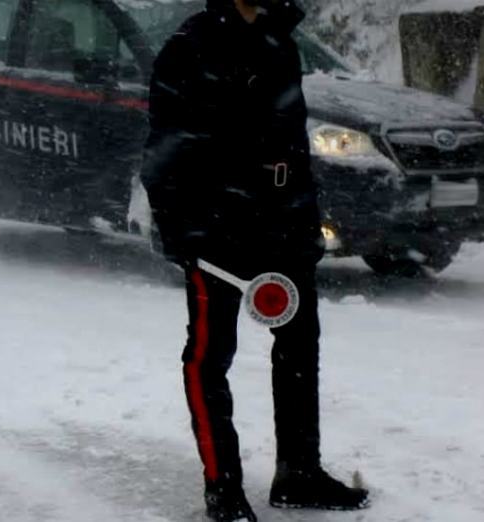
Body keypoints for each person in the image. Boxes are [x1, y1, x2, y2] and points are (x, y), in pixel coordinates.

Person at [141, 0, 370, 520]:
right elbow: (164, 152)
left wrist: (306, 223)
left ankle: (298, 472)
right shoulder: (188, 48)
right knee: (208, 356)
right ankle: (222, 488)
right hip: (214, 230)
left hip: (282, 226)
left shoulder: (280, 43)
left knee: (299, 345)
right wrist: (181, 231)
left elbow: (292, 148)